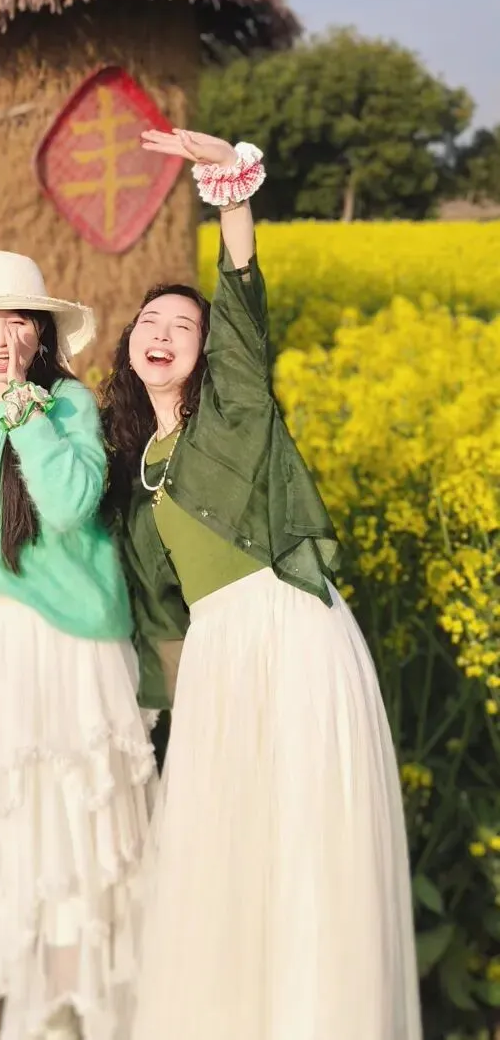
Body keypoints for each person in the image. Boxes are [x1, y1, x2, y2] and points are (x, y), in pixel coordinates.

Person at [101, 129, 422, 1040]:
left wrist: (228, 190)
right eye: (150, 323)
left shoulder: (236, 406)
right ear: (129, 345)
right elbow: (159, 610)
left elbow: (240, 288)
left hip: (292, 633)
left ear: (208, 350)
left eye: (183, 325)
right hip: (217, 660)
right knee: (227, 849)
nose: (163, 334)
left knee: (305, 837)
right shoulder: (135, 465)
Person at [0, 251, 156, 1040]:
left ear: (44, 332)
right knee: (18, 822)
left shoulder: (68, 403)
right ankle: (41, 1002)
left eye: (18, 319)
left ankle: (86, 1002)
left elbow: (68, 503)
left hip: (68, 646)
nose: (0, 336)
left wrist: (25, 409)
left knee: (74, 827)